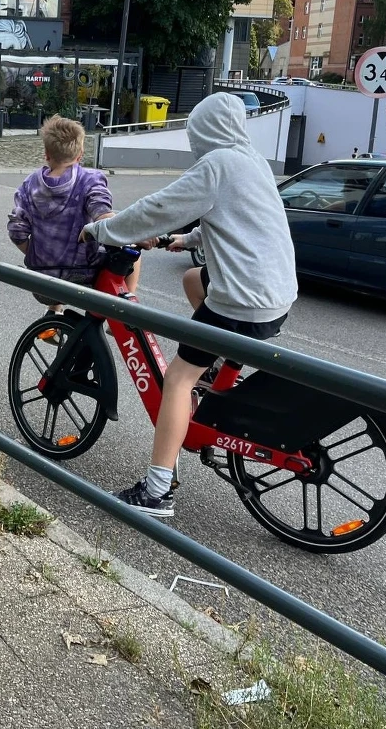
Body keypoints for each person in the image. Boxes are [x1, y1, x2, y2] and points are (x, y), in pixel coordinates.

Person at [80, 92, 297, 518]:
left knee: (177, 380)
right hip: (276, 297)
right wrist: (188, 239)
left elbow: (156, 209)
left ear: (205, 131)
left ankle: (157, 489)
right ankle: (216, 369)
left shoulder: (216, 165)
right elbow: (242, 219)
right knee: (193, 278)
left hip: (241, 301)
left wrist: (102, 231)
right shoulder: (252, 161)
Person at [7, 115, 136, 313]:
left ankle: (53, 312)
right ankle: (126, 310)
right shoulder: (90, 179)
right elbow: (103, 216)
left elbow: (17, 231)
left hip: (43, 282)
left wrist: (39, 255)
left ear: (47, 154)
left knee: (57, 244)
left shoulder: (29, 185)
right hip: (84, 275)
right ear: (80, 154)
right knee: (132, 248)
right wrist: (137, 231)